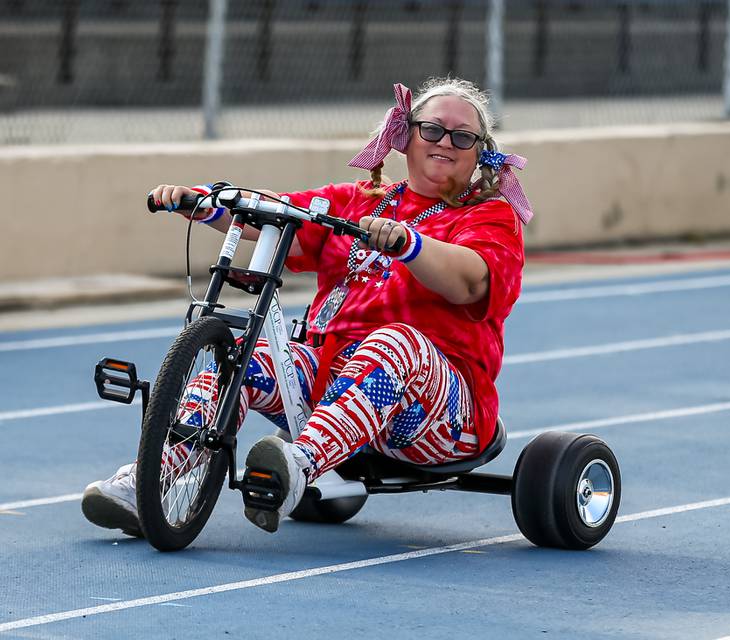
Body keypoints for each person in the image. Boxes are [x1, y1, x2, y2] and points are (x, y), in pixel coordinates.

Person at [81, 77, 533, 537]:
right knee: (237, 363)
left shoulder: (490, 215)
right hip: (331, 381)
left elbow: (470, 279)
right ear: (406, 136)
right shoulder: (359, 200)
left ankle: (298, 466)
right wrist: (206, 205)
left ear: (479, 152)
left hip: (440, 416)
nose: (445, 143)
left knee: (395, 344)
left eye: (462, 137)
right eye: (432, 130)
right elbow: (281, 213)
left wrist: (412, 245)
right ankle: (146, 482)